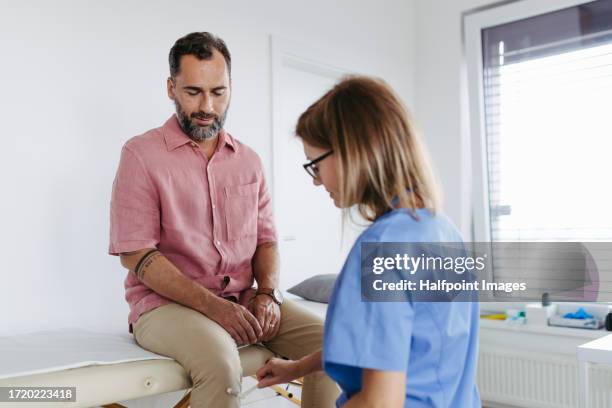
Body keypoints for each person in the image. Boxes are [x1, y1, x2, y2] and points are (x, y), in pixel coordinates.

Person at [108, 32, 339, 408]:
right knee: (221, 366)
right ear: (171, 87)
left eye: (218, 92)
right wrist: (214, 307)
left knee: (335, 347)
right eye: (193, 92)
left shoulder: (248, 160)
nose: (207, 106)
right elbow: (136, 255)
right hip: (164, 307)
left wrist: (267, 294)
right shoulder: (140, 155)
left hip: (244, 298)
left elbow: (266, 240)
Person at [256, 76, 481, 407]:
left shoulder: (382, 250)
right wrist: (299, 367)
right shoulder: (442, 230)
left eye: (315, 164)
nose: (317, 181)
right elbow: (390, 345)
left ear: (351, 152)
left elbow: (379, 402)